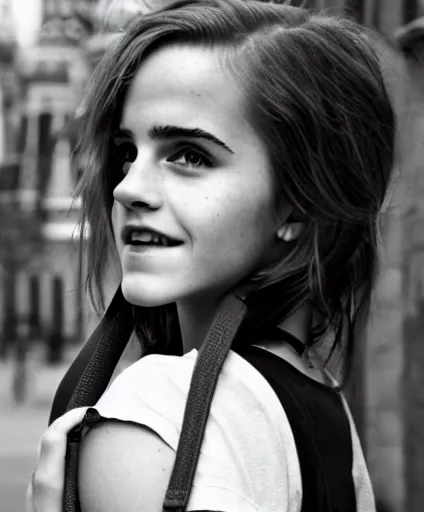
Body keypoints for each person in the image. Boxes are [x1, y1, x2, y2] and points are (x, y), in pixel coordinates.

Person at [27, 0, 400, 510]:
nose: (128, 189)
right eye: (126, 153)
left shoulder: (151, 422)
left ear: (299, 204)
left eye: (190, 155)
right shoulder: (322, 405)